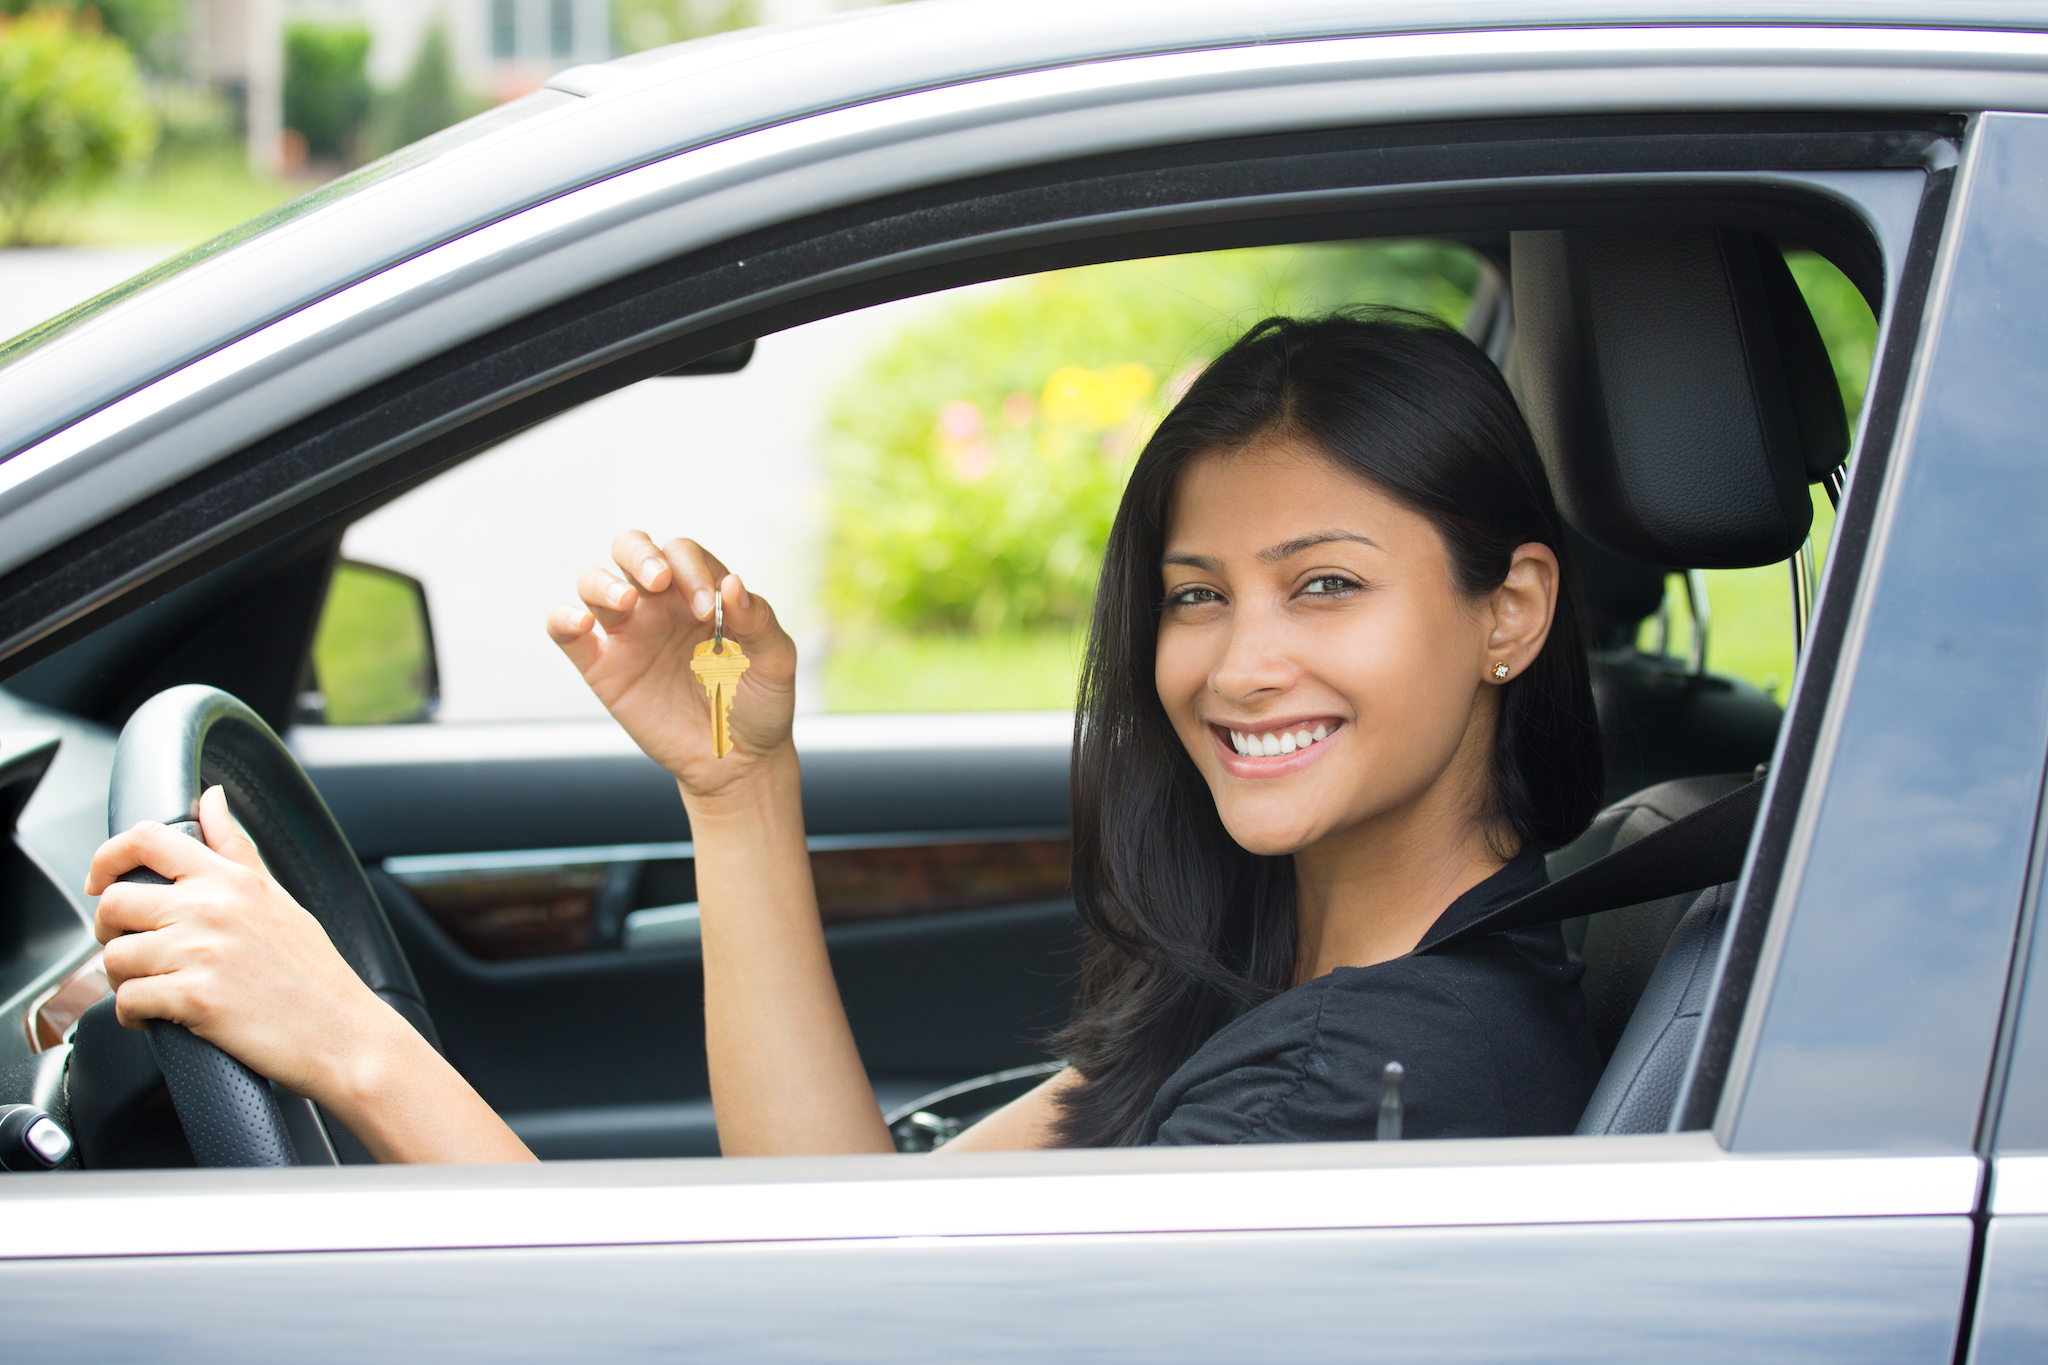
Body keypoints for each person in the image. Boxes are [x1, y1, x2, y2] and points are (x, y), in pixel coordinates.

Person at [86, 311, 1605, 1162]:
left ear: (1508, 612)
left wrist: (349, 1039)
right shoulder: (1282, 983)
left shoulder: (1348, 1090)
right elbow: (838, 1234)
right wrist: (739, 782)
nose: (1238, 665)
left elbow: (745, 1338)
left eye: (1325, 584)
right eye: (1195, 597)